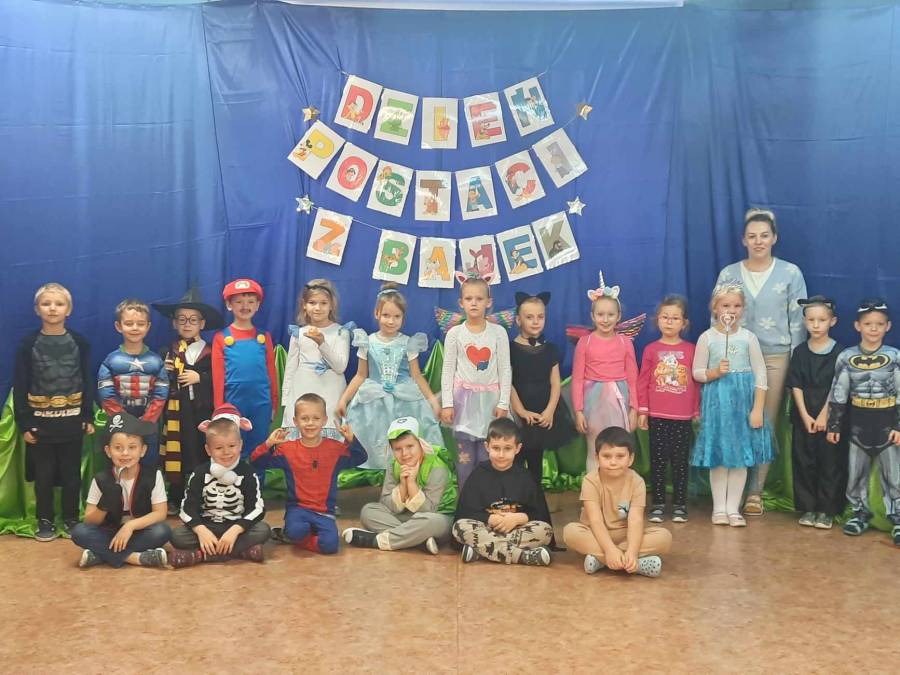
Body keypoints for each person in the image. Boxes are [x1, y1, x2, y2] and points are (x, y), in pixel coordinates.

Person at [714, 208, 807, 515]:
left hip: (775, 358)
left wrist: (795, 365)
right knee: (737, 419)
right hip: (737, 358)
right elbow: (716, 318)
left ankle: (755, 490)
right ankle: (732, 488)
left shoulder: (790, 273)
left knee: (764, 421)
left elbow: (798, 322)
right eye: (752, 236)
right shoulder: (729, 274)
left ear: (774, 238)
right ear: (743, 240)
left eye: (764, 235)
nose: (758, 241)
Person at [14, 283, 95, 541]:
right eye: (46, 303)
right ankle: (45, 519)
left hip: (72, 421)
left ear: (68, 310)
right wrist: (24, 423)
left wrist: (87, 416)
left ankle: (71, 518)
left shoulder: (80, 342)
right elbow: (20, 384)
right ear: (37, 309)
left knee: (71, 474)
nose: (52, 308)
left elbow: (87, 379)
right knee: (44, 475)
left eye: (59, 304)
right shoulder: (28, 344)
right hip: (40, 423)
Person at [691, 283, 774, 527]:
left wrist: (757, 409)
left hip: (743, 404)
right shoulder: (707, 338)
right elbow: (697, 372)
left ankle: (733, 508)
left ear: (743, 309)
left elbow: (761, 374)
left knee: (739, 457)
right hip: (717, 404)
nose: (731, 310)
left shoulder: (749, 338)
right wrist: (715, 372)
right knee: (719, 456)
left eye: (737, 305)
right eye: (726, 305)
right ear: (715, 308)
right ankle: (719, 509)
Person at [336, 284, 442, 470]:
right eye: (386, 315)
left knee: (406, 438)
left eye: (396, 316)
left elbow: (417, 376)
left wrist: (432, 400)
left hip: (404, 399)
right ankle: (376, 470)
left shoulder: (409, 343)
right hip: (374, 400)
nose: (391, 321)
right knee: (374, 437)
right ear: (377, 314)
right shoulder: (367, 342)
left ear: (403, 318)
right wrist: (344, 400)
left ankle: (405, 470)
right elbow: (360, 375)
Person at [250, 393, 365, 554]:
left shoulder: (335, 449)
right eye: (304, 419)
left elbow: (360, 458)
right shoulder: (287, 449)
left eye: (316, 418)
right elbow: (257, 462)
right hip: (298, 510)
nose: (310, 423)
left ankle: (297, 538)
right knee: (296, 530)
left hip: (325, 512)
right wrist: (268, 444)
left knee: (331, 546)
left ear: (324, 420)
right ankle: (293, 534)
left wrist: (352, 440)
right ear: (295, 421)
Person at [827, 298, 900, 545]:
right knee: (856, 474)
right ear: (857, 326)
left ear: (888, 326)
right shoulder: (846, 357)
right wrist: (834, 425)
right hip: (858, 423)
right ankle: (859, 514)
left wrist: (898, 426)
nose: (873, 328)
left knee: (894, 476)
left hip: (887, 423)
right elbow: (839, 392)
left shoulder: (895, 356)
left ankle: (898, 519)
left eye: (879, 324)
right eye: (868, 323)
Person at [509, 291, 575, 546]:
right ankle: (514, 525)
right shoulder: (511, 349)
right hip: (520, 417)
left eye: (540, 317)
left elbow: (556, 383)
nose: (535, 322)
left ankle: (541, 531)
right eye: (529, 317)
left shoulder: (551, 349)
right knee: (515, 471)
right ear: (518, 320)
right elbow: (508, 382)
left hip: (543, 415)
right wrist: (521, 411)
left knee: (535, 473)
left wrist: (549, 411)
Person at [169, 405, 270, 568]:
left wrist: (236, 529)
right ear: (208, 450)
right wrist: (200, 530)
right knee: (177, 535)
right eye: (218, 448)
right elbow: (186, 509)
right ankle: (240, 551)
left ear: (240, 445)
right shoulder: (200, 473)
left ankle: (201, 555)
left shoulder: (248, 473)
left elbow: (257, 509)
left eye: (232, 446)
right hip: (207, 526)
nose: (226, 452)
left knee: (263, 530)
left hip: (236, 527)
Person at [563, 426, 672, 577]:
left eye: (620, 456)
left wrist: (632, 551)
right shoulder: (590, 481)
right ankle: (634, 564)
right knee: (570, 532)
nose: (613, 462)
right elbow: (595, 520)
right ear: (597, 458)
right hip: (596, 534)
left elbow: (635, 520)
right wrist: (609, 549)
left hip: (626, 535)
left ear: (631, 459)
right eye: (606, 456)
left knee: (664, 537)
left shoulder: (637, 482)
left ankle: (602, 560)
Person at [152, 285, 224, 514]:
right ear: (174, 323)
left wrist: (200, 378)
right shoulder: (167, 351)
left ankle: (203, 497)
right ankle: (176, 497)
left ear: (202, 323)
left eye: (193, 320)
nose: (187, 324)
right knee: (179, 453)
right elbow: (157, 385)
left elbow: (222, 379)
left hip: (203, 412)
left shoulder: (213, 352)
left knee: (202, 452)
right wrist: (164, 373)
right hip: (177, 413)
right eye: (181, 319)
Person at [70, 412, 170, 569]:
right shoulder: (101, 479)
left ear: (142, 450)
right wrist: (104, 504)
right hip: (108, 531)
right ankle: (134, 557)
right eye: (118, 448)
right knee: (79, 532)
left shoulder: (153, 476)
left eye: (132, 447)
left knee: (162, 531)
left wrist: (130, 526)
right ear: (108, 451)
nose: (125, 453)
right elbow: (90, 520)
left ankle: (101, 554)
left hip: (138, 530)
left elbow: (160, 513)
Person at [342, 417, 456, 554]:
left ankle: (377, 541)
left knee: (429, 522)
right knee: (368, 511)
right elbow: (386, 504)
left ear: (421, 443)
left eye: (410, 446)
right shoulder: (394, 465)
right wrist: (402, 485)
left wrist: (411, 483)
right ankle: (418, 540)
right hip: (408, 519)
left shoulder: (437, 467)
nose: (405, 454)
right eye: (397, 449)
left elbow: (429, 511)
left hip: (437, 519)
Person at [440, 272, 512, 488]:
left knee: (486, 457)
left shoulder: (498, 332)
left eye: (479, 299)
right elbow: (448, 370)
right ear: (461, 303)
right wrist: (447, 403)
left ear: (488, 302)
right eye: (469, 298)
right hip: (463, 404)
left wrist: (503, 402)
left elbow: (505, 369)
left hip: (491, 403)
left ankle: (487, 500)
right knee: (465, 460)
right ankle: (466, 501)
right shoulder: (455, 334)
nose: (474, 303)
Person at [451, 417, 553, 566]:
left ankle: (483, 550)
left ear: (517, 448)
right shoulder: (478, 474)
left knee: (545, 531)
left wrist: (518, 518)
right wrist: (490, 519)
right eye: (496, 448)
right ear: (487, 447)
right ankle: (521, 556)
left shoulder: (526, 477)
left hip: (516, 530)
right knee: (460, 527)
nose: (501, 455)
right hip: (486, 529)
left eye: (507, 448)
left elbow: (540, 514)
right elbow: (465, 513)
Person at [636, 295, 699, 523]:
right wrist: (643, 410)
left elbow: (696, 383)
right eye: (665, 317)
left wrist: (695, 411)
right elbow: (643, 381)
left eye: (675, 318)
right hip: (657, 415)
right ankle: (658, 503)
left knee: (680, 461)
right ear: (657, 320)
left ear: (684, 323)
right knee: (658, 461)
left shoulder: (691, 350)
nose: (669, 322)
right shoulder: (651, 350)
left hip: (682, 416)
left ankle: (680, 504)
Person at [787, 296, 846, 529]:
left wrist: (824, 415)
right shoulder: (800, 352)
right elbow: (796, 384)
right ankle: (808, 508)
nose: (816, 325)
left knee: (830, 464)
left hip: (830, 416)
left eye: (821, 320)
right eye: (811, 320)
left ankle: (826, 510)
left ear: (832, 321)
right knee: (804, 461)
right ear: (804, 322)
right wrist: (804, 415)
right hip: (804, 416)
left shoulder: (839, 353)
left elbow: (837, 386)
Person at [571, 271, 639, 475]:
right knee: (596, 446)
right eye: (600, 314)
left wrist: (634, 409)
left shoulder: (625, 342)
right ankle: (594, 489)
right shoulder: (585, 342)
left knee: (619, 445)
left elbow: (633, 379)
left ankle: (619, 490)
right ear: (592, 316)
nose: (605, 319)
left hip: (620, 399)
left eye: (610, 314)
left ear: (619, 316)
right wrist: (579, 411)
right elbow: (577, 379)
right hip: (594, 401)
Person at [97, 299, 169, 468]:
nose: (135, 328)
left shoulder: (156, 361)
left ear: (148, 327)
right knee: (118, 467)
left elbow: (161, 395)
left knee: (149, 467)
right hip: (118, 423)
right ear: (118, 326)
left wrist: (147, 421)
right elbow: (106, 395)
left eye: (140, 324)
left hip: (148, 424)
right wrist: (122, 420)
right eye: (129, 323)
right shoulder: (111, 361)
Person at [211, 278, 278, 460]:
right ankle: (235, 478)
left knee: (260, 447)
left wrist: (273, 403)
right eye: (239, 302)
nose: (245, 306)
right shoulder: (221, 338)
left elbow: (271, 373)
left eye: (250, 301)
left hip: (261, 403)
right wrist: (219, 408)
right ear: (229, 305)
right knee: (232, 447)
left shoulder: (264, 337)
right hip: (233, 404)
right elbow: (218, 377)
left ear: (257, 305)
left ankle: (258, 478)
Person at [281, 279, 352, 441]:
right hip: (302, 389)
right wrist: (286, 401)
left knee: (328, 444)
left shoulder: (341, 332)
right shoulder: (299, 333)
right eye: (312, 303)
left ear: (331, 305)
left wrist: (322, 343)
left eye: (323, 303)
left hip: (331, 393)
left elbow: (340, 367)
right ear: (304, 305)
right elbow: (290, 369)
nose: (318, 308)